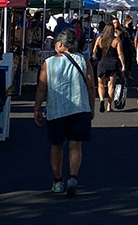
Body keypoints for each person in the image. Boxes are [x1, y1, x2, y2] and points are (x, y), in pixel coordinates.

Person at [34, 29, 96, 197]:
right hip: (79, 108)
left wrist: (37, 108)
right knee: (75, 145)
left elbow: (41, 88)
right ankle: (73, 178)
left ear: (60, 44)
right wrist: (92, 106)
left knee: (56, 146)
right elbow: (90, 86)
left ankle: (57, 181)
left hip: (56, 110)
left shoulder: (49, 63)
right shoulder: (84, 61)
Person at [92, 22, 127, 112]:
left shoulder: (100, 39)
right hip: (113, 65)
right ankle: (109, 106)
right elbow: (120, 53)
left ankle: (101, 100)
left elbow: (94, 51)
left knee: (101, 85)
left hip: (102, 64)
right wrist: (123, 64)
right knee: (111, 86)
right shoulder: (116, 40)